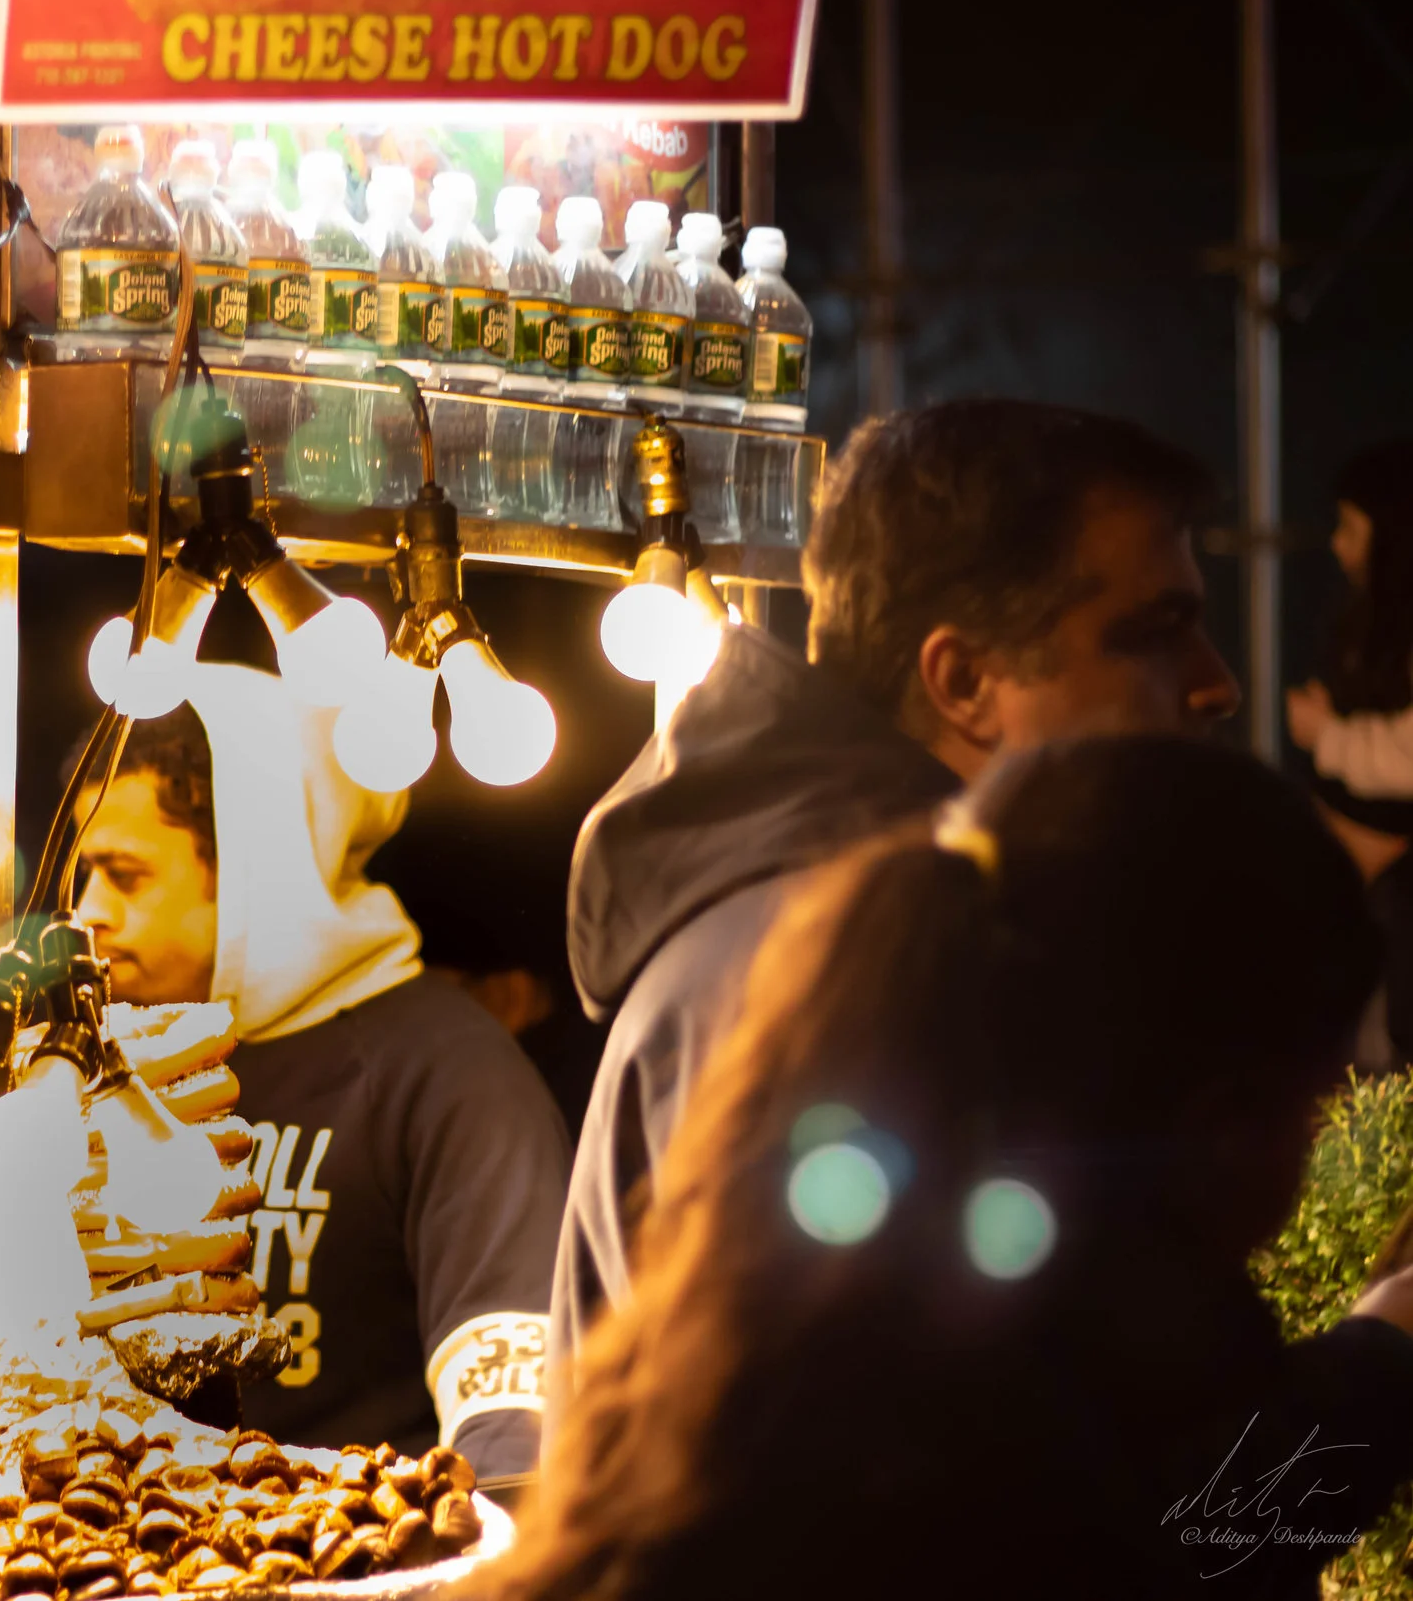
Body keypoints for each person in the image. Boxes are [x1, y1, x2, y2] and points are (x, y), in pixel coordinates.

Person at [494, 735, 1413, 1601]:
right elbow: (1192, 1528)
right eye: (1315, 1104)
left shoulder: (789, 1308)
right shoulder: (1037, 1408)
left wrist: (1379, 1352)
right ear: (1229, 1123)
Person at [555, 399, 1243, 1376]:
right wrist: (1374, 1369)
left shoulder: (862, 926)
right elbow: (903, 1473)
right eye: (1151, 633)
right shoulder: (828, 965)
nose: (1217, 683)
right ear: (962, 681)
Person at [72, 666, 571, 1481]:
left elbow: (515, 1439)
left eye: (125, 875)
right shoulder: (94, 1073)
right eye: (84, 873)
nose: (89, 909)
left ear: (260, 868)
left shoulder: (451, 1077)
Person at [1286, 440, 1413, 1067]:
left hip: (1395, 878)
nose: (1337, 545)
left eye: (1351, 528)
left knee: (1390, 1044)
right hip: (1356, 875)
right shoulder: (1364, 614)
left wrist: (1328, 735)